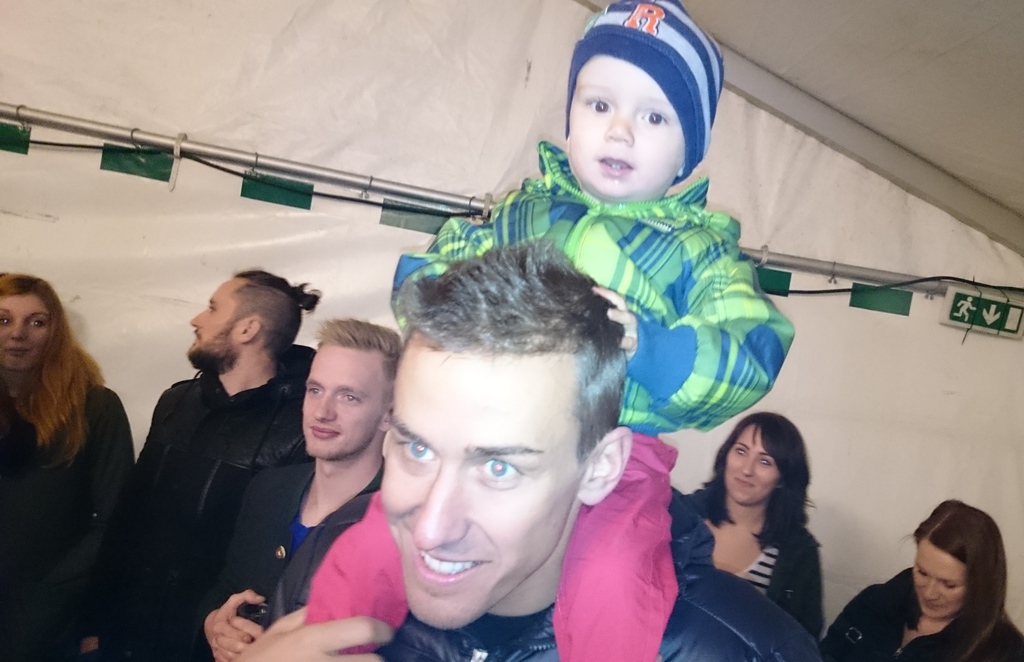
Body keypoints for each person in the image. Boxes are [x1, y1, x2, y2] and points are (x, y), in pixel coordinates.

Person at [317, 2, 796, 659]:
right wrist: (439, 299)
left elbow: (753, 346)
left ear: (690, 150)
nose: (620, 131)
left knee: (613, 585)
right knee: (368, 549)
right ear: (569, 116)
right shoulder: (524, 212)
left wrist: (654, 350)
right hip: (485, 430)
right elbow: (438, 272)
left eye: (654, 117)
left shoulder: (699, 249)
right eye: (599, 104)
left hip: (623, 452)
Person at [298, 242, 819, 661]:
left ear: (601, 468)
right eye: (417, 448)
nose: (431, 530)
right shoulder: (318, 562)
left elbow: (750, 348)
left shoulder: (753, 652)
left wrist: (658, 348)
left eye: (499, 467)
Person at [80, 270, 321, 662]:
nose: (197, 319)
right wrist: (93, 625)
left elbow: (275, 564)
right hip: (125, 633)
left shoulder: (300, 429)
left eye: (212, 308)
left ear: (247, 329)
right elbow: (127, 520)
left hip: (209, 643)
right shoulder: (177, 402)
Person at [197, 318, 400, 662]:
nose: (322, 412)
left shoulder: (401, 524)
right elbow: (226, 586)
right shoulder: (268, 488)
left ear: (388, 415)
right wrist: (215, 624)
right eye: (315, 390)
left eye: (349, 397)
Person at [0, 273, 135, 662]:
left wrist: (51, 592)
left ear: (55, 331)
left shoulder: (95, 406)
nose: (18, 333)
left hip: (45, 609)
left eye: (36, 321)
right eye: (4, 319)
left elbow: (115, 519)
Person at [821, 500, 1024, 662]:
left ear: (980, 585)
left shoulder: (1005, 654)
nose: (929, 593)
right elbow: (825, 654)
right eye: (922, 573)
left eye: (949, 584)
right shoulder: (873, 603)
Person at [680, 412, 823, 636]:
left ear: (782, 478)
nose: (747, 469)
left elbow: (803, 641)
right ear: (726, 455)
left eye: (765, 461)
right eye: (741, 451)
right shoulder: (681, 517)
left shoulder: (799, 553)